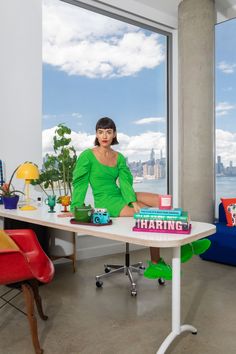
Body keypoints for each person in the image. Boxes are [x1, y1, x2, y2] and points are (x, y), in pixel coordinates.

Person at [71, 117, 210, 280]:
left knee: (161, 201)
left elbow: (125, 182)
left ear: (114, 134)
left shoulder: (119, 157)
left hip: (121, 194)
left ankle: (188, 243)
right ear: (96, 134)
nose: (104, 136)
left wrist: (132, 200)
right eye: (101, 132)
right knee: (148, 213)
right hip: (107, 201)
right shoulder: (88, 155)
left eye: (108, 132)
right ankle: (155, 262)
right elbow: (80, 183)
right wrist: (76, 207)